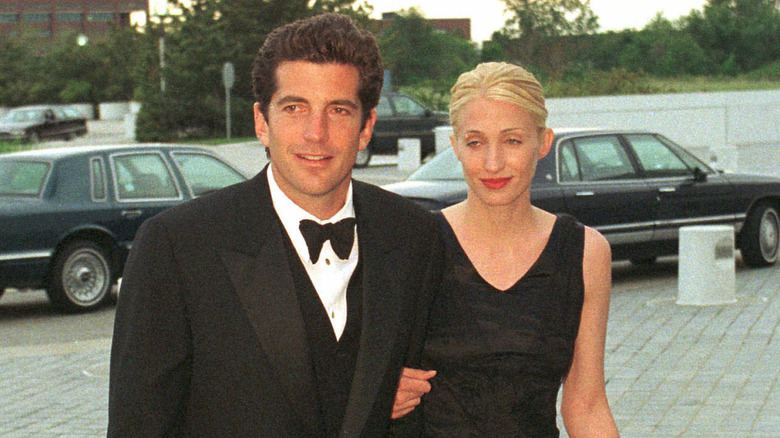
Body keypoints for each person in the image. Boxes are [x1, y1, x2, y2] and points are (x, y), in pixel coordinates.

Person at [107, 13, 442, 437]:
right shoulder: (176, 246)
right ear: (261, 122)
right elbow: (138, 426)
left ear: (366, 128)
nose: (315, 133)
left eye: (338, 110)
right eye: (294, 108)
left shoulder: (415, 235)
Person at [392, 62, 619, 437]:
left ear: (543, 142)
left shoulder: (584, 253)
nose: (492, 163)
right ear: (456, 147)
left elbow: (587, 404)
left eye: (512, 140)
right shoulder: (415, 244)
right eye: (475, 142)